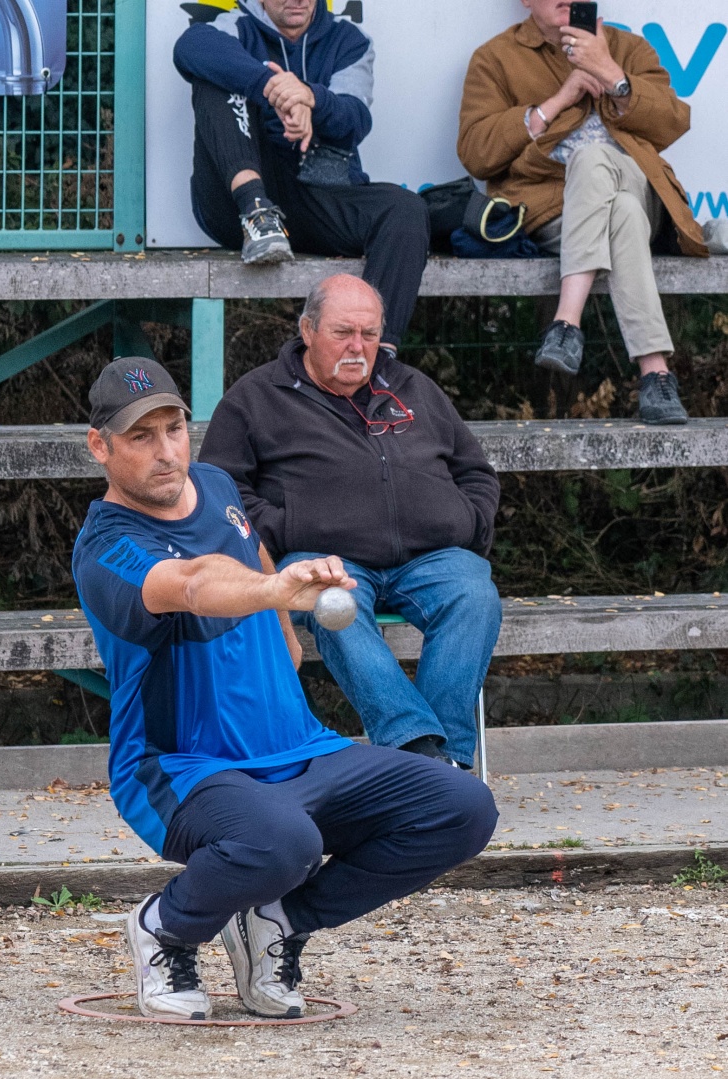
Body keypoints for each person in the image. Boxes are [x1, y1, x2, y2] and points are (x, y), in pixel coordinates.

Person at [72, 356, 498, 1020]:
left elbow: (248, 546)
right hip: (182, 768)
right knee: (284, 842)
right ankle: (167, 927)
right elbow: (190, 583)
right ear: (100, 446)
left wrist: (284, 630)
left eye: (173, 428)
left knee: (462, 806)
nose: (165, 452)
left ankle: (277, 921)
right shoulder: (110, 547)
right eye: (140, 437)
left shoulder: (213, 484)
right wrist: (274, 593)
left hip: (299, 747)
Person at [199, 275, 502, 771]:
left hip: (431, 556)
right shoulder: (256, 398)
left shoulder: (412, 387)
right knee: (329, 601)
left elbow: (475, 471)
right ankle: (415, 750)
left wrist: (469, 522)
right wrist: (283, 528)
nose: (359, 347)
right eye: (343, 333)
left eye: (370, 333)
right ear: (307, 330)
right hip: (324, 559)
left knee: (475, 593)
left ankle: (442, 763)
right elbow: (221, 492)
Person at [457, 0, 708, 426]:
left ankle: (566, 324)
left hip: (637, 184)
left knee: (598, 163)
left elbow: (672, 122)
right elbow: (477, 153)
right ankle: (656, 375)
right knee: (622, 213)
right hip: (552, 208)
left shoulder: (628, 48)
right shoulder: (495, 58)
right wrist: (559, 100)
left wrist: (612, 74)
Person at [173, 0, 431, 351]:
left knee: (407, 209)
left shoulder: (348, 39)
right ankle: (258, 212)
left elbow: (353, 117)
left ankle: (376, 357)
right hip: (238, 206)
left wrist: (310, 98)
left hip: (315, 195)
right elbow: (190, 46)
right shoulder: (237, 27)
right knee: (214, 76)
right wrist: (273, 89)